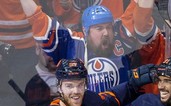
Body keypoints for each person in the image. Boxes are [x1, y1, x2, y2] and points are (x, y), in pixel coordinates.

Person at [19, 0, 152, 92]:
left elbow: (139, 9)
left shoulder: (120, 36)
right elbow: (38, 19)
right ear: (85, 30)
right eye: (99, 28)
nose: (106, 33)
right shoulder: (74, 44)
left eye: (108, 27)